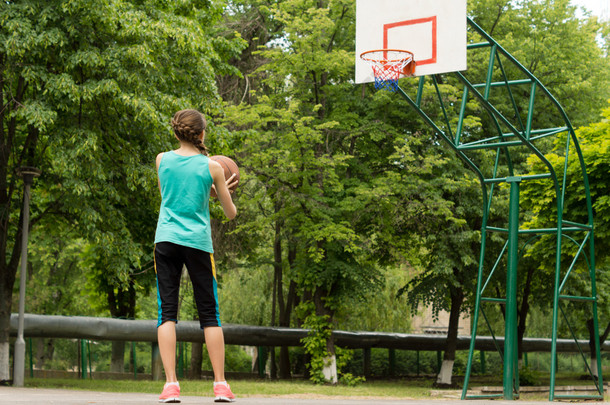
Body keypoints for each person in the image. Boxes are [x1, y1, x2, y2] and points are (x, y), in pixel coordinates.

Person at [154, 109, 238, 403]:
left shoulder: (162, 160)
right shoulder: (213, 167)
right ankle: (220, 386)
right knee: (210, 315)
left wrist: (208, 191)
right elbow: (230, 214)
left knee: (167, 313)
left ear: (176, 132)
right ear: (202, 134)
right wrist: (218, 191)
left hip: (166, 239)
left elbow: (171, 197)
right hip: (198, 243)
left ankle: (171, 386)